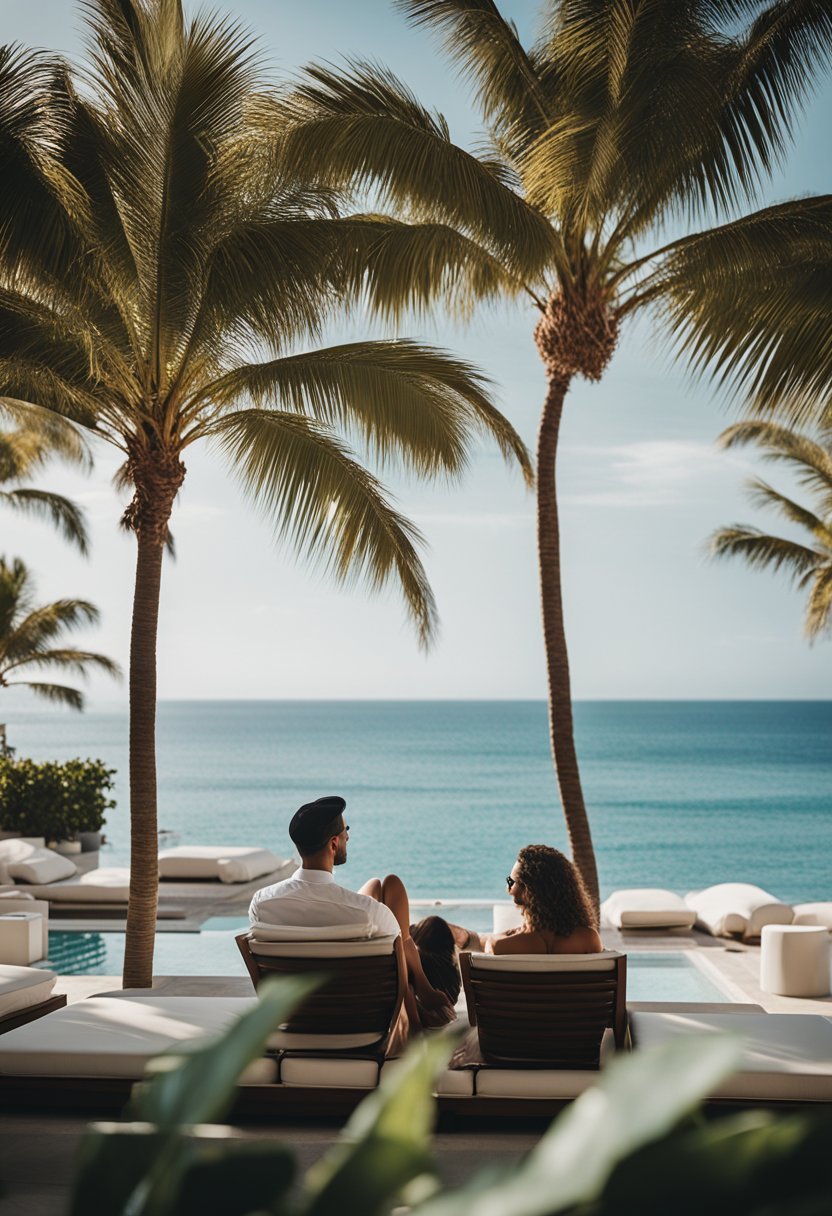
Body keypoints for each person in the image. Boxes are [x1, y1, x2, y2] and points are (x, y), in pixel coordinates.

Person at [249, 795, 455, 1030]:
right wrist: (424, 990)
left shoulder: (262, 903)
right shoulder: (369, 913)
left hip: (295, 1020)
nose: (348, 835)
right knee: (393, 904)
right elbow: (398, 966)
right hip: (360, 1022)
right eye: (345, 830)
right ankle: (421, 1001)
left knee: (378, 886)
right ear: (334, 843)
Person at [452, 844, 603, 955]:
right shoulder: (589, 939)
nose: (507, 888)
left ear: (527, 891)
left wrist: (509, 935)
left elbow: (488, 943)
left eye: (511, 882)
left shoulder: (500, 946)